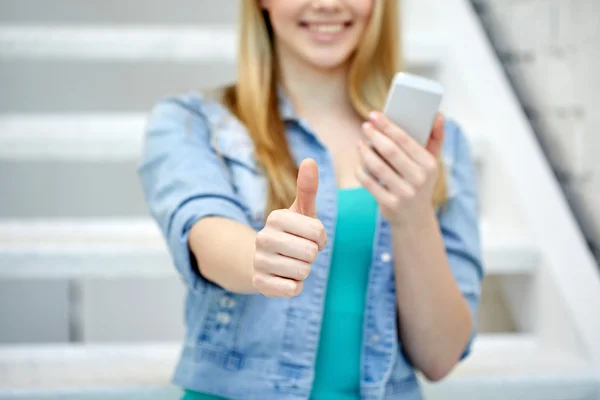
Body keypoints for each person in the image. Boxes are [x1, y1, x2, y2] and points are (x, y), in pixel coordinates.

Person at [138, 0, 484, 399]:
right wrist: (260, 255)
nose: (326, 4)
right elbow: (204, 230)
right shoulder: (192, 123)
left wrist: (413, 216)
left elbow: (440, 358)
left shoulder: (439, 144)